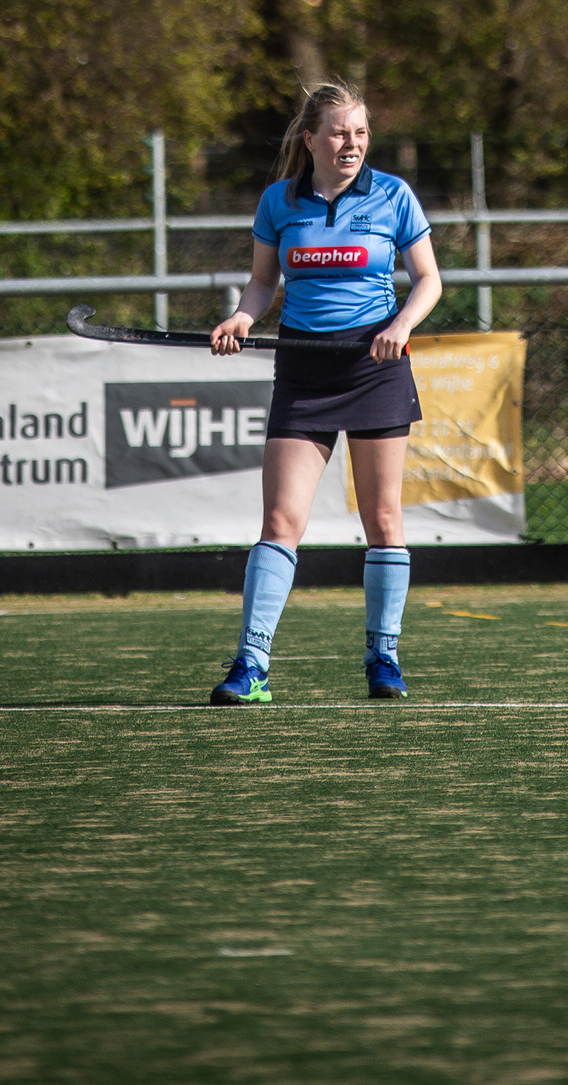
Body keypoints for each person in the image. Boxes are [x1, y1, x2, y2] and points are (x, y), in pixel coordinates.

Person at [206, 81, 442, 704]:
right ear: (310, 139)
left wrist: (400, 327)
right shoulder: (279, 202)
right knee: (281, 519)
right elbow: (262, 282)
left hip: (375, 365)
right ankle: (251, 664)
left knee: (383, 519)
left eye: (361, 132)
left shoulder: (394, 195)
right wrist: (241, 318)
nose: (352, 143)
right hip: (304, 368)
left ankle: (382, 657)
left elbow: (428, 281)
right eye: (340, 132)